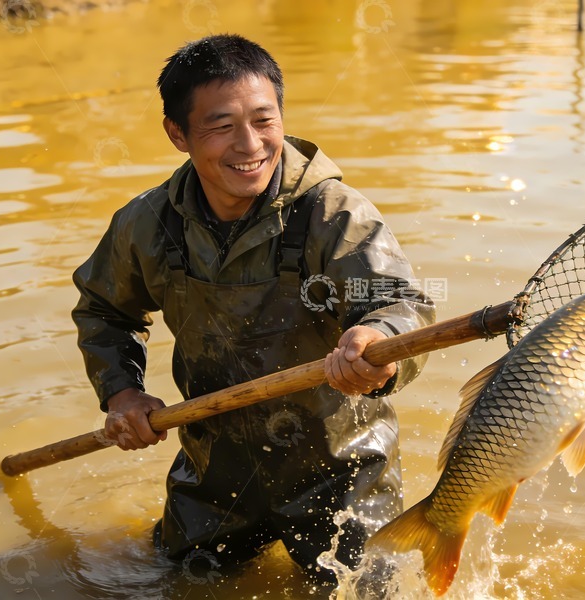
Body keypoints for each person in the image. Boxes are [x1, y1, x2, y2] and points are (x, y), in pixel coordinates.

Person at [72, 34, 434, 581]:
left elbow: (399, 300)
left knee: (368, 591)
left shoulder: (331, 212)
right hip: (214, 473)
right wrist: (122, 390)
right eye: (222, 127)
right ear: (177, 134)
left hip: (342, 468)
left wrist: (377, 341)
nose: (250, 145)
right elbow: (103, 311)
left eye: (264, 121)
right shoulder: (148, 224)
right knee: (170, 585)